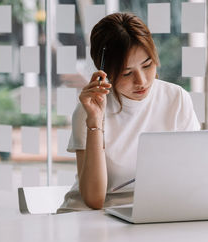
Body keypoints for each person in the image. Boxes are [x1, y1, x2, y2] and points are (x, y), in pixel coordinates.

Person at [57, 12, 200, 213]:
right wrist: (95, 121)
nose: (141, 81)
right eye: (127, 73)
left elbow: (194, 173)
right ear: (105, 71)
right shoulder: (90, 109)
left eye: (147, 65)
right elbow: (94, 199)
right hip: (93, 216)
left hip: (151, 212)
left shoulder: (176, 99)